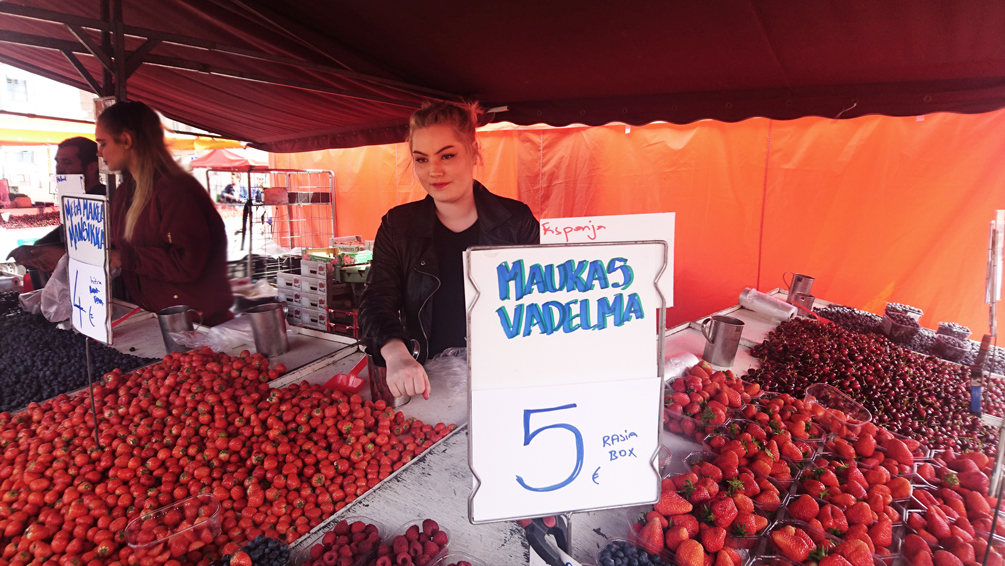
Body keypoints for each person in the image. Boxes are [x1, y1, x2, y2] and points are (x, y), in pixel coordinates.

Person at [360, 101, 539, 399]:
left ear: (474, 151)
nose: (435, 171)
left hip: (505, 377)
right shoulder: (398, 226)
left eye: (447, 155)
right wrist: (396, 353)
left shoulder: (516, 221)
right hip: (425, 380)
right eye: (421, 159)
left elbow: (534, 301)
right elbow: (377, 299)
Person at [97, 101, 234, 326]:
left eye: (103, 143)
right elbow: (120, 245)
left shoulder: (176, 190)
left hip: (199, 323)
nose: (99, 151)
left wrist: (123, 257)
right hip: (156, 317)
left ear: (126, 140)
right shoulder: (124, 192)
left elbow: (187, 262)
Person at [7, 137, 106, 274]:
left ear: (91, 167)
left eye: (67, 162)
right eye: (57, 162)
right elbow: (64, 234)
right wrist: (34, 250)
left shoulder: (103, 200)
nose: (59, 168)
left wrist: (55, 251)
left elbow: (97, 247)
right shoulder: (73, 199)